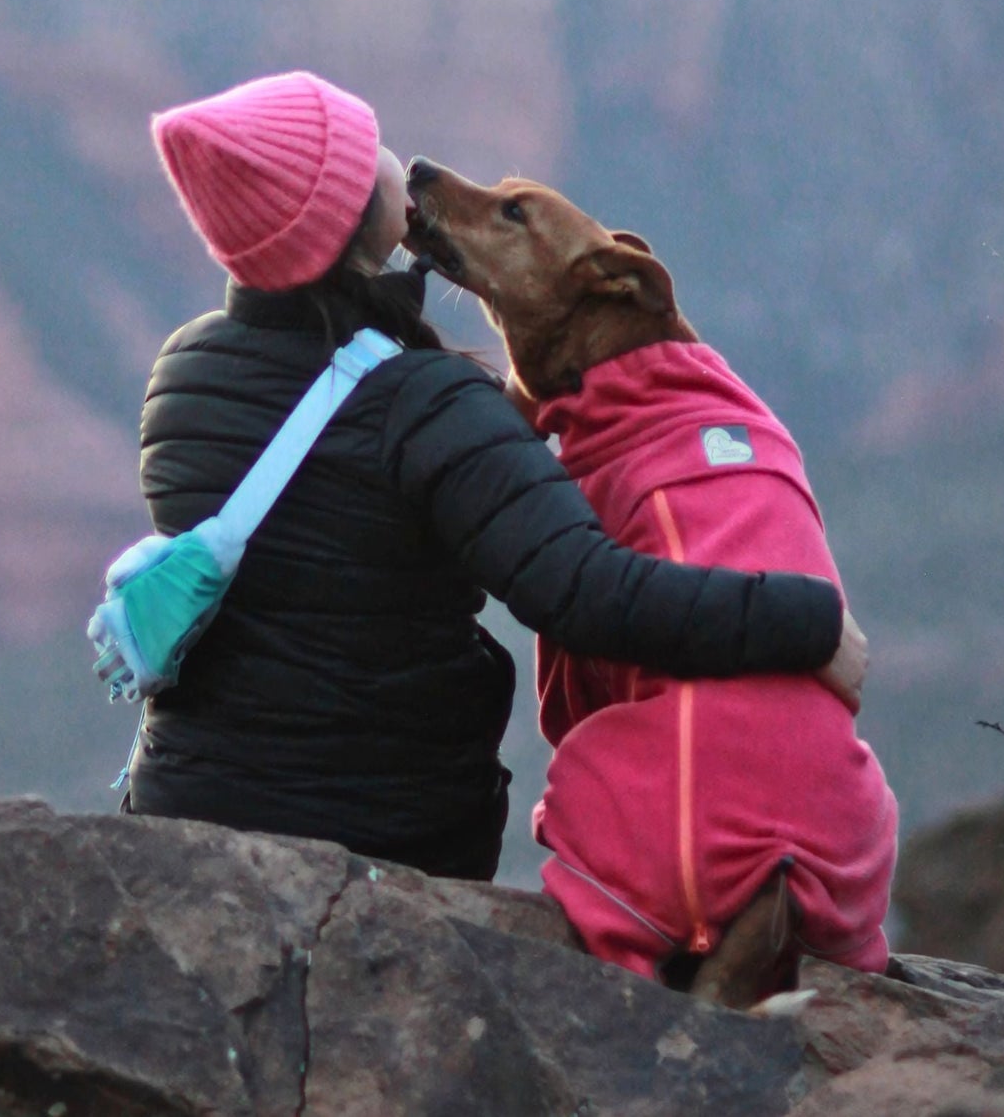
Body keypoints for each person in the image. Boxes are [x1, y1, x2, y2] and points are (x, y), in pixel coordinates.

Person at [121, 69, 863, 881]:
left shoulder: (182, 372)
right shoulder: (425, 406)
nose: (399, 157)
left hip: (184, 812)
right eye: (369, 150)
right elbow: (589, 593)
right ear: (346, 214)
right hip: (376, 843)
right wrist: (810, 621)